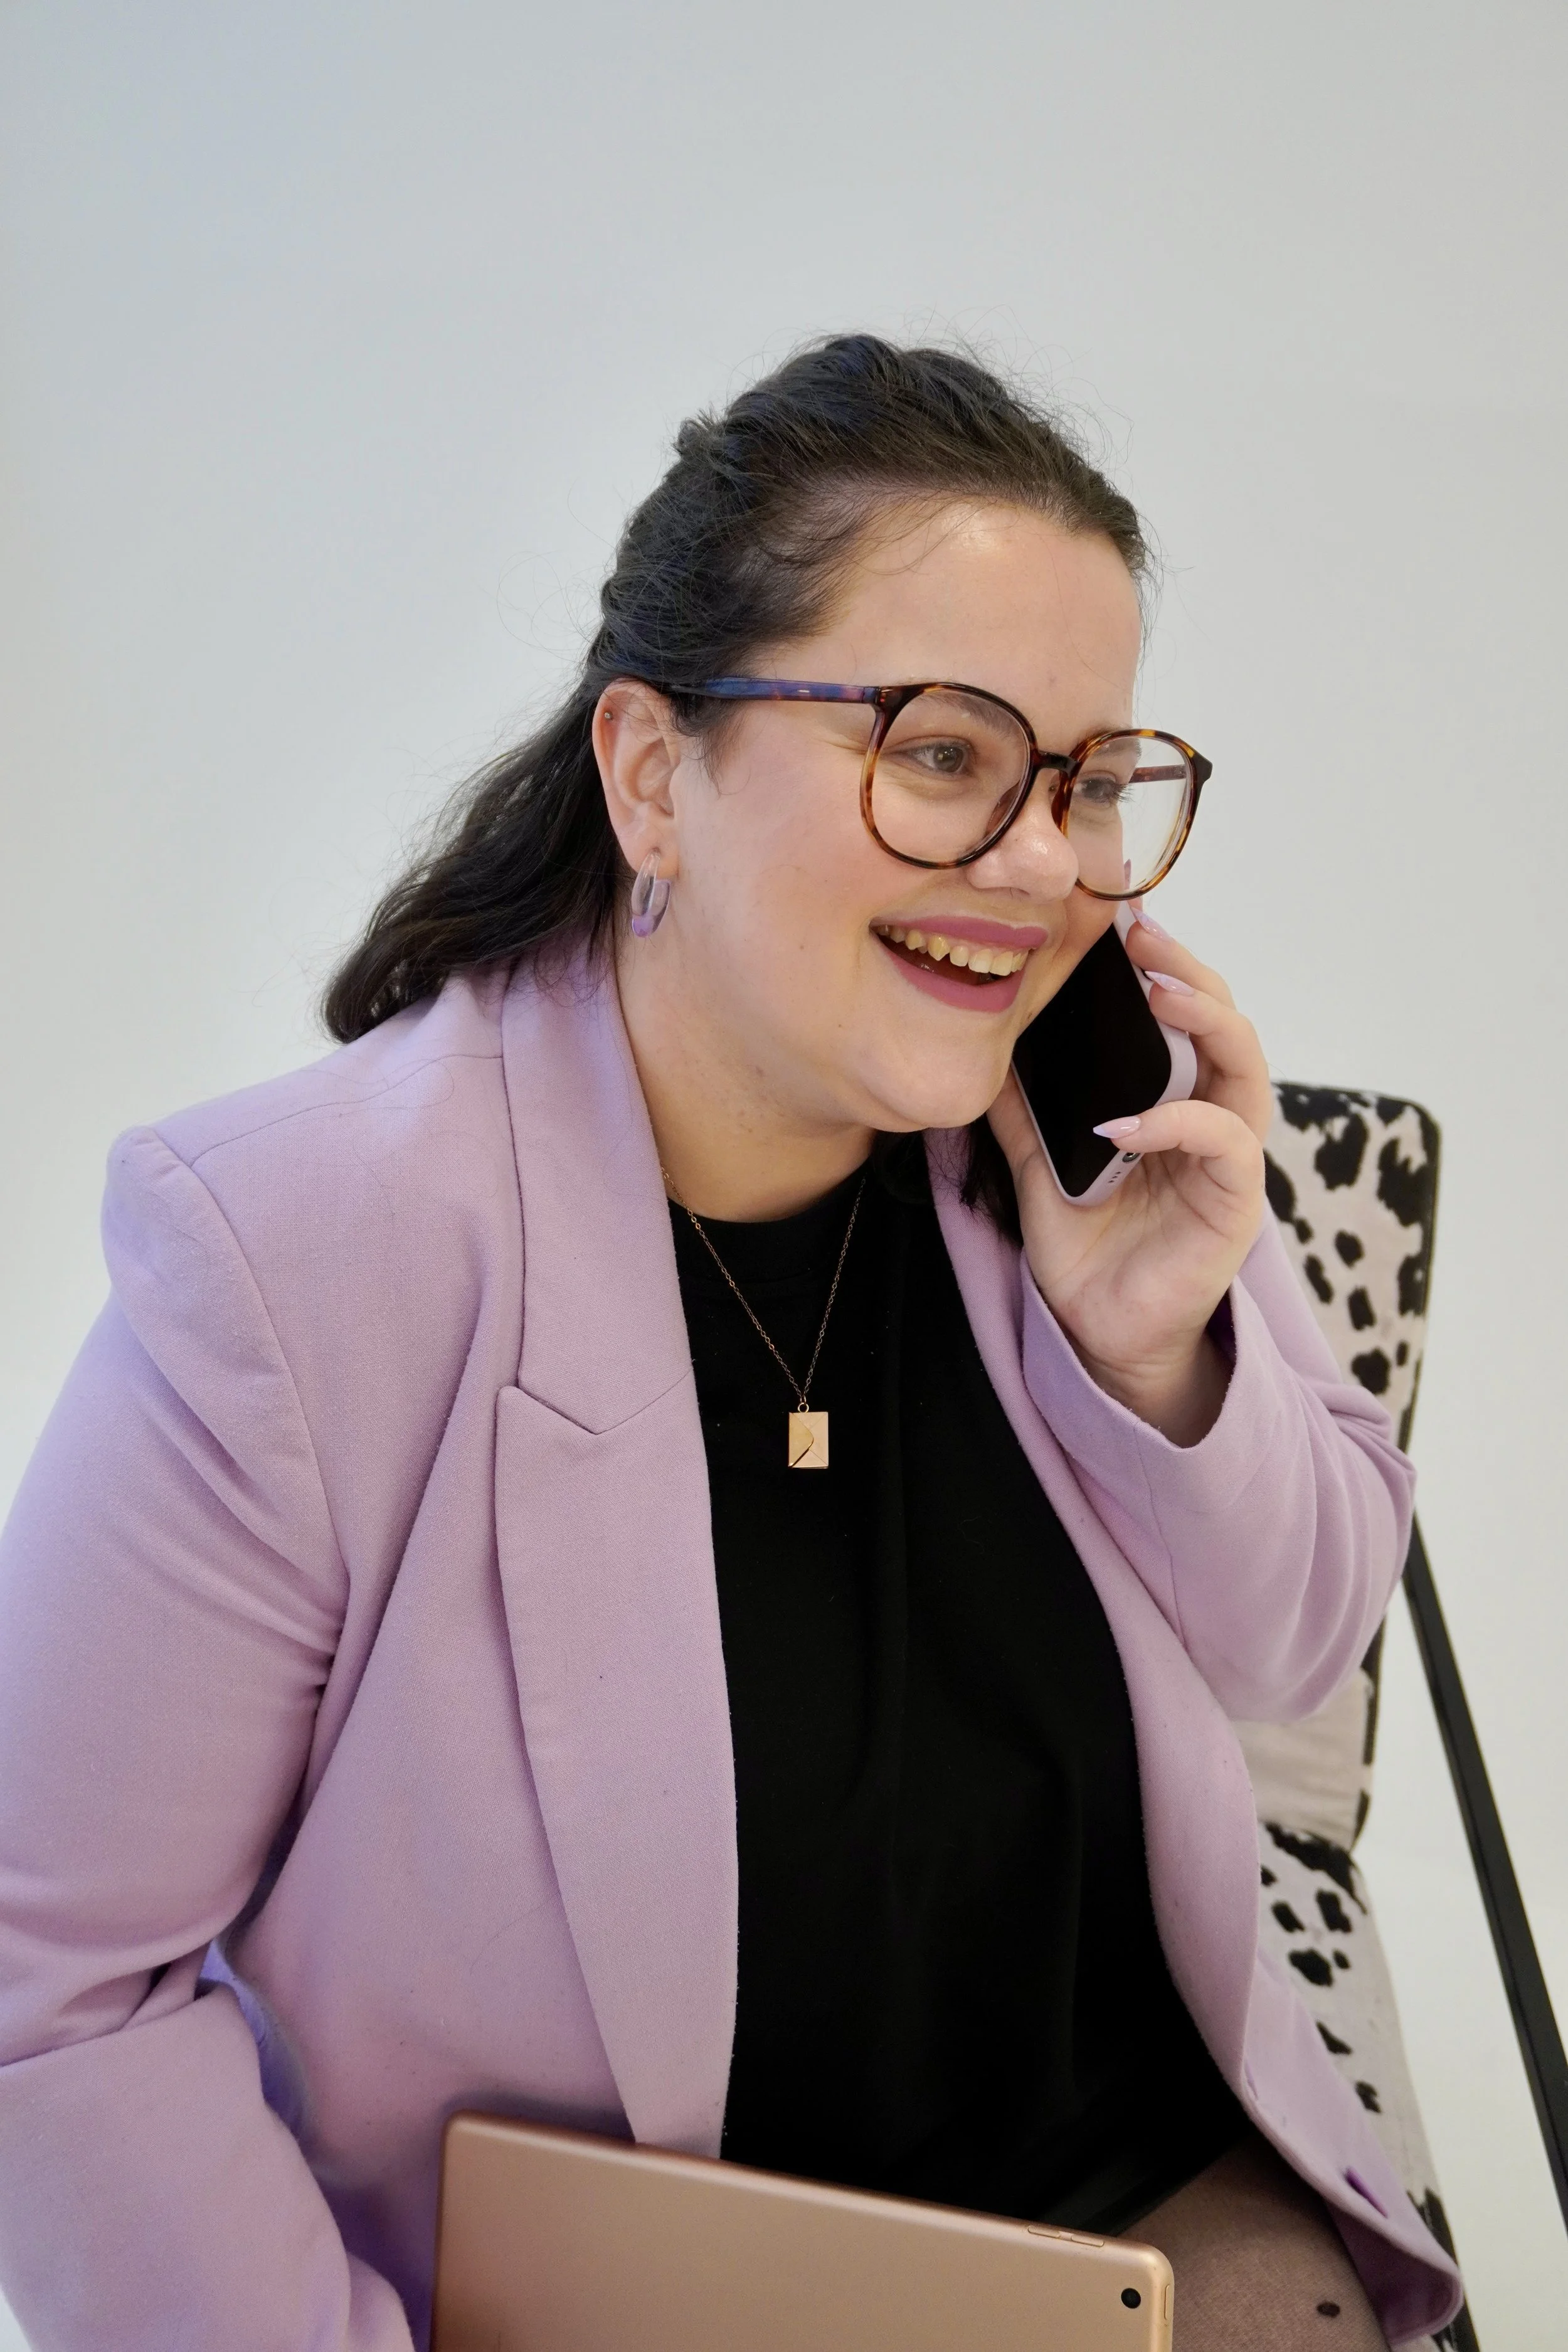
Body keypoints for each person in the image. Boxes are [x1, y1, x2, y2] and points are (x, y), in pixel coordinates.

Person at [0, 336, 1460, 2350]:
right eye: (941, 752)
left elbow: (1294, 1652)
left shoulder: (1059, 1149)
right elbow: (47, 1989)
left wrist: (1153, 1356)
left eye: (1089, 777)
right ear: (646, 774)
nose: (1040, 866)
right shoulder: (298, 1257)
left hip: (1121, 2231)